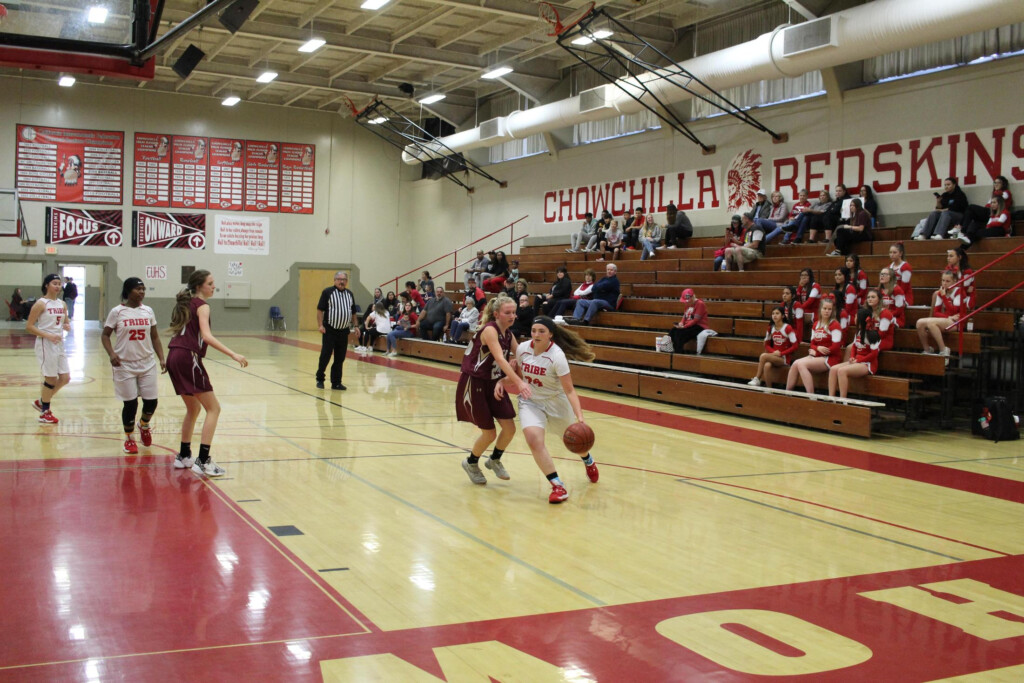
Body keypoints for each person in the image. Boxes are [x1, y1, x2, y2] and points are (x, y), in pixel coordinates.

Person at [502, 315, 599, 504]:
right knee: (533, 440)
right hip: (531, 401)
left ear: (550, 335)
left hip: (556, 402)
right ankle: (557, 486)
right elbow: (521, 376)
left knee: (575, 442)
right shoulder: (522, 349)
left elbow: (569, 390)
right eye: (533, 330)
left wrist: (579, 416)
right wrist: (504, 379)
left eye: (541, 331)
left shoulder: (557, 356)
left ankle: (587, 459)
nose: (536, 334)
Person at [166, 270, 248, 477]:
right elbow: (207, 336)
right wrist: (233, 354)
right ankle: (203, 460)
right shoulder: (202, 305)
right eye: (210, 283)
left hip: (174, 355)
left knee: (193, 408)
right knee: (214, 408)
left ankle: (184, 455)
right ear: (199, 286)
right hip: (187, 357)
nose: (214, 287)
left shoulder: (185, 303)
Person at [457, 296, 532, 486]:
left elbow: (522, 357)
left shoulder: (509, 334)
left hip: (494, 382)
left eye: (514, 312)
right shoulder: (490, 330)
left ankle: (494, 459)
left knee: (509, 428)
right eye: (508, 313)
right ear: (497, 314)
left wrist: (525, 373)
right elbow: (500, 359)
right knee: (489, 433)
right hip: (475, 383)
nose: (512, 316)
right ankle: (471, 462)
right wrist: (518, 383)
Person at [101, 277, 166, 455]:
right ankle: (129, 438)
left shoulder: (148, 311)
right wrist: (111, 354)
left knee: (151, 402)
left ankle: (144, 425)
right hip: (124, 364)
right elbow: (105, 335)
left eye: (144, 289)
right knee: (130, 405)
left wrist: (161, 357)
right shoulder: (117, 312)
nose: (142, 292)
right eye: (138, 289)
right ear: (128, 291)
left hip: (146, 362)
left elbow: (154, 337)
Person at [26, 274, 71, 425]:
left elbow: (66, 322)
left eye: (59, 283)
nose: (58, 286)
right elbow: (29, 327)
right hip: (45, 343)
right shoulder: (41, 303)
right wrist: (48, 335)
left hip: (59, 343)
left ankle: (41, 402)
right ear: (47, 285)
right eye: (54, 283)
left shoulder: (62, 304)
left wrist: (67, 326)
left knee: (65, 378)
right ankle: (45, 411)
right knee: (50, 378)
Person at [785, 296, 843, 395]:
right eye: (824, 308)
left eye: (829, 309)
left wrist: (817, 351)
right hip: (818, 355)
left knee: (802, 364)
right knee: (795, 364)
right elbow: (812, 344)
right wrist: (817, 348)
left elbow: (836, 347)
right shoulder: (816, 324)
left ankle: (811, 396)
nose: (827, 311)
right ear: (820, 309)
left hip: (830, 357)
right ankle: (787, 393)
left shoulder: (835, 325)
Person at [316, 271, 357, 390]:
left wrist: (356, 326)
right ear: (334, 280)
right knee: (325, 355)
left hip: (344, 331)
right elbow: (319, 310)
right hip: (330, 330)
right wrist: (320, 325)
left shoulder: (350, 294)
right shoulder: (327, 292)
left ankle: (336, 382)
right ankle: (320, 378)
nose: (342, 281)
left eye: (344, 279)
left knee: (340, 358)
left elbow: (353, 312)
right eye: (339, 279)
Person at [829, 309, 881, 400]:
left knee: (842, 371)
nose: (855, 318)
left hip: (867, 364)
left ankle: (843, 400)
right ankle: (831, 398)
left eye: (857, 316)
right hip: (857, 360)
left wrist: (859, 360)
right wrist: (852, 357)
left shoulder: (872, 334)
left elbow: (874, 354)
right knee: (833, 369)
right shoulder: (859, 332)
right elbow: (854, 347)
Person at [915, 270, 962, 365]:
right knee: (919, 322)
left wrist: (944, 297)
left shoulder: (959, 292)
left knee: (931, 323)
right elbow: (936, 312)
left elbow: (955, 311)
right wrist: (948, 316)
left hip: (957, 322)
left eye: (947, 281)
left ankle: (944, 350)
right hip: (948, 319)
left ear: (955, 281)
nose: (944, 283)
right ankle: (927, 349)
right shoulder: (941, 292)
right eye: (943, 280)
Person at [748, 306, 798, 388]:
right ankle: (769, 389)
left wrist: (781, 353)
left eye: (777, 313)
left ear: (782, 316)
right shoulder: (770, 328)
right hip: (774, 356)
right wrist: (774, 353)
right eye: (773, 314)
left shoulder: (788, 328)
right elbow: (766, 345)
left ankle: (757, 378)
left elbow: (795, 346)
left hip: (784, 358)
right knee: (767, 365)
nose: (774, 315)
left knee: (763, 356)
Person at [668, 289, 711, 354]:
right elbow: (684, 316)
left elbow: (695, 320)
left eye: (688, 301)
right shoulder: (687, 305)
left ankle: (678, 353)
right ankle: (671, 349)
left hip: (699, 326)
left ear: (693, 297)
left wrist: (684, 326)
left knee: (680, 334)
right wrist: (681, 323)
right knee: (673, 331)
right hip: (689, 325)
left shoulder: (700, 304)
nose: (686, 302)